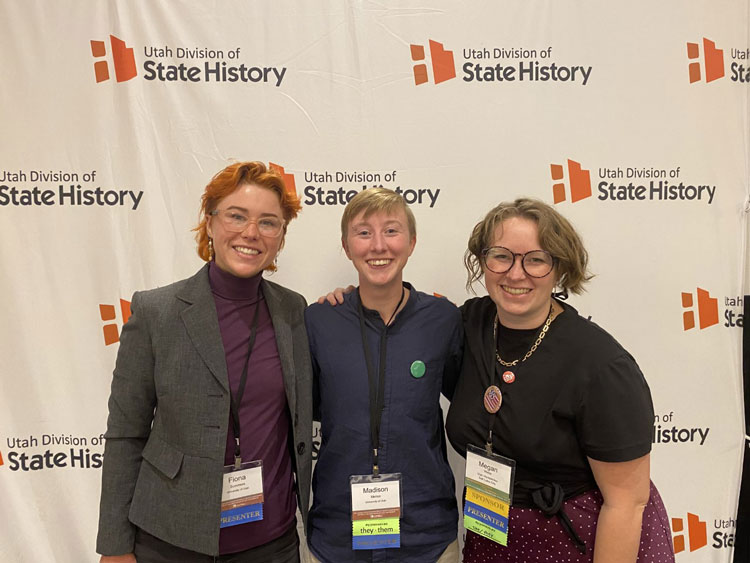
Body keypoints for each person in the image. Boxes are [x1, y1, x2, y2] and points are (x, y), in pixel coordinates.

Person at [96, 162, 313, 563]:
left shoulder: (294, 311)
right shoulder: (157, 311)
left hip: (272, 543)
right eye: (236, 216)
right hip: (171, 540)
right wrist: (114, 547)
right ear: (209, 223)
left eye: (269, 222)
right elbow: (126, 434)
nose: (251, 233)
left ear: (280, 238)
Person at [445, 198, 674, 562]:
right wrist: (352, 301)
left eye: (536, 259)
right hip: (491, 532)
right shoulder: (468, 326)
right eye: (501, 256)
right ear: (482, 261)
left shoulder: (600, 364)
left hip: (582, 538)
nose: (515, 274)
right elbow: (400, 323)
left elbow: (627, 503)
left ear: (560, 269)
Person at [304, 188, 463, 562]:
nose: (378, 246)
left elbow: (466, 400)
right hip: (337, 536)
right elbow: (306, 408)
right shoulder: (318, 320)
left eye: (391, 231)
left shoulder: (444, 319)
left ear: (411, 242)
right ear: (346, 246)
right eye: (363, 233)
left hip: (426, 537)